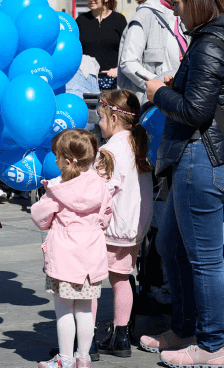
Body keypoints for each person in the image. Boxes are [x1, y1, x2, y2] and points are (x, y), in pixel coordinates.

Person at [142, 0, 224, 366]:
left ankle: (211, 346)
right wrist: (178, 84)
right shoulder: (223, 37)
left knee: (203, 260)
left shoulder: (209, 43)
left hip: (201, 159)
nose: (177, 12)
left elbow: (196, 111)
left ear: (195, 0)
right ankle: (183, 330)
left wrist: (159, 91)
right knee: (170, 245)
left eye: (179, 3)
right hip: (205, 157)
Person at [32, 129, 114, 368]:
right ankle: (83, 358)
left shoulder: (57, 189)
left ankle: (65, 360)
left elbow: (40, 218)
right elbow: (106, 217)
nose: (54, 159)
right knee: (85, 311)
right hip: (91, 258)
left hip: (64, 261)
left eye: (57, 156)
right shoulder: (100, 186)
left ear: (67, 161)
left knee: (64, 311)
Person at [93, 90, 153, 358]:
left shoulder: (109, 151)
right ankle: (121, 338)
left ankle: (86, 341)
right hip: (134, 229)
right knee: (122, 279)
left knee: (90, 283)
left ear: (114, 118)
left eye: (102, 118)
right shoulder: (139, 145)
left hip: (110, 229)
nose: (99, 124)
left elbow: (99, 192)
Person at [118, 0, 188, 103]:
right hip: (155, 104)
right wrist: (160, 85)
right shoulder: (145, 15)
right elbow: (128, 62)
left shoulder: (184, 15)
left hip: (180, 100)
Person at [76, 0, 127, 91]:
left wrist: (118, 69)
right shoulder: (81, 21)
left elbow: (127, 50)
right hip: (86, 80)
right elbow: (75, 51)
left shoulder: (119, 20)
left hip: (113, 82)